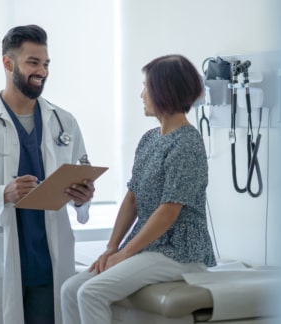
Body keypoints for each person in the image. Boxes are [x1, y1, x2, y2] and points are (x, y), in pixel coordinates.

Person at [60, 54, 217, 323]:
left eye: (146, 86)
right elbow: (132, 198)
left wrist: (125, 253)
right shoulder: (149, 139)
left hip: (179, 252)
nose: (141, 94)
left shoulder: (188, 144)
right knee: (69, 289)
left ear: (163, 91)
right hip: (150, 247)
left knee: (91, 292)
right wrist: (112, 247)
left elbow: (168, 212)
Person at [0, 25, 95, 324]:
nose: (42, 71)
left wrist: (83, 198)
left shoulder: (64, 122)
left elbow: (80, 179)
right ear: (8, 63)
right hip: (1, 255)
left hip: (47, 260)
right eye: (33, 62)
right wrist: (2, 193)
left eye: (45, 64)